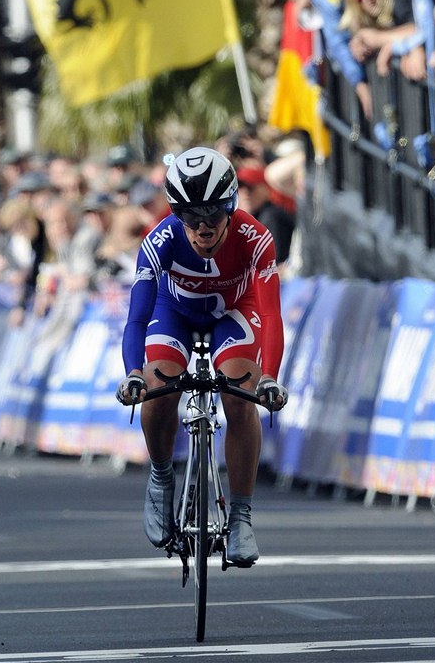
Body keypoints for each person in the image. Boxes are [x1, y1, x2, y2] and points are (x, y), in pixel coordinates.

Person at [116, 147, 287, 566]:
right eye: (190, 217)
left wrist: (269, 377)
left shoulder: (256, 239)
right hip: (172, 313)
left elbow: (269, 313)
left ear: (230, 207)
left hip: (234, 311)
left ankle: (241, 517)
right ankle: (160, 480)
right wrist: (133, 373)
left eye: (212, 214)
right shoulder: (159, 240)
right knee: (157, 388)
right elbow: (137, 318)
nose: (202, 228)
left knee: (240, 392)